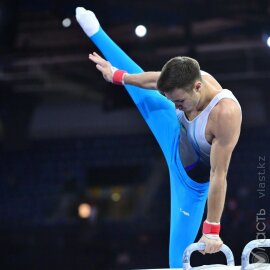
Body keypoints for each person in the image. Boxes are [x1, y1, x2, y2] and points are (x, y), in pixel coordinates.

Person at [75, 7, 242, 268]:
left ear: (198, 87)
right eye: (172, 99)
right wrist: (118, 76)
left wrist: (212, 229)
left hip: (191, 183)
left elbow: (218, 174)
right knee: (142, 91)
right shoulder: (185, 84)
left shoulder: (225, 114)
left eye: (180, 101)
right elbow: (154, 80)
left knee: (177, 261)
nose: (176, 106)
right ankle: (96, 32)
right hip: (175, 137)